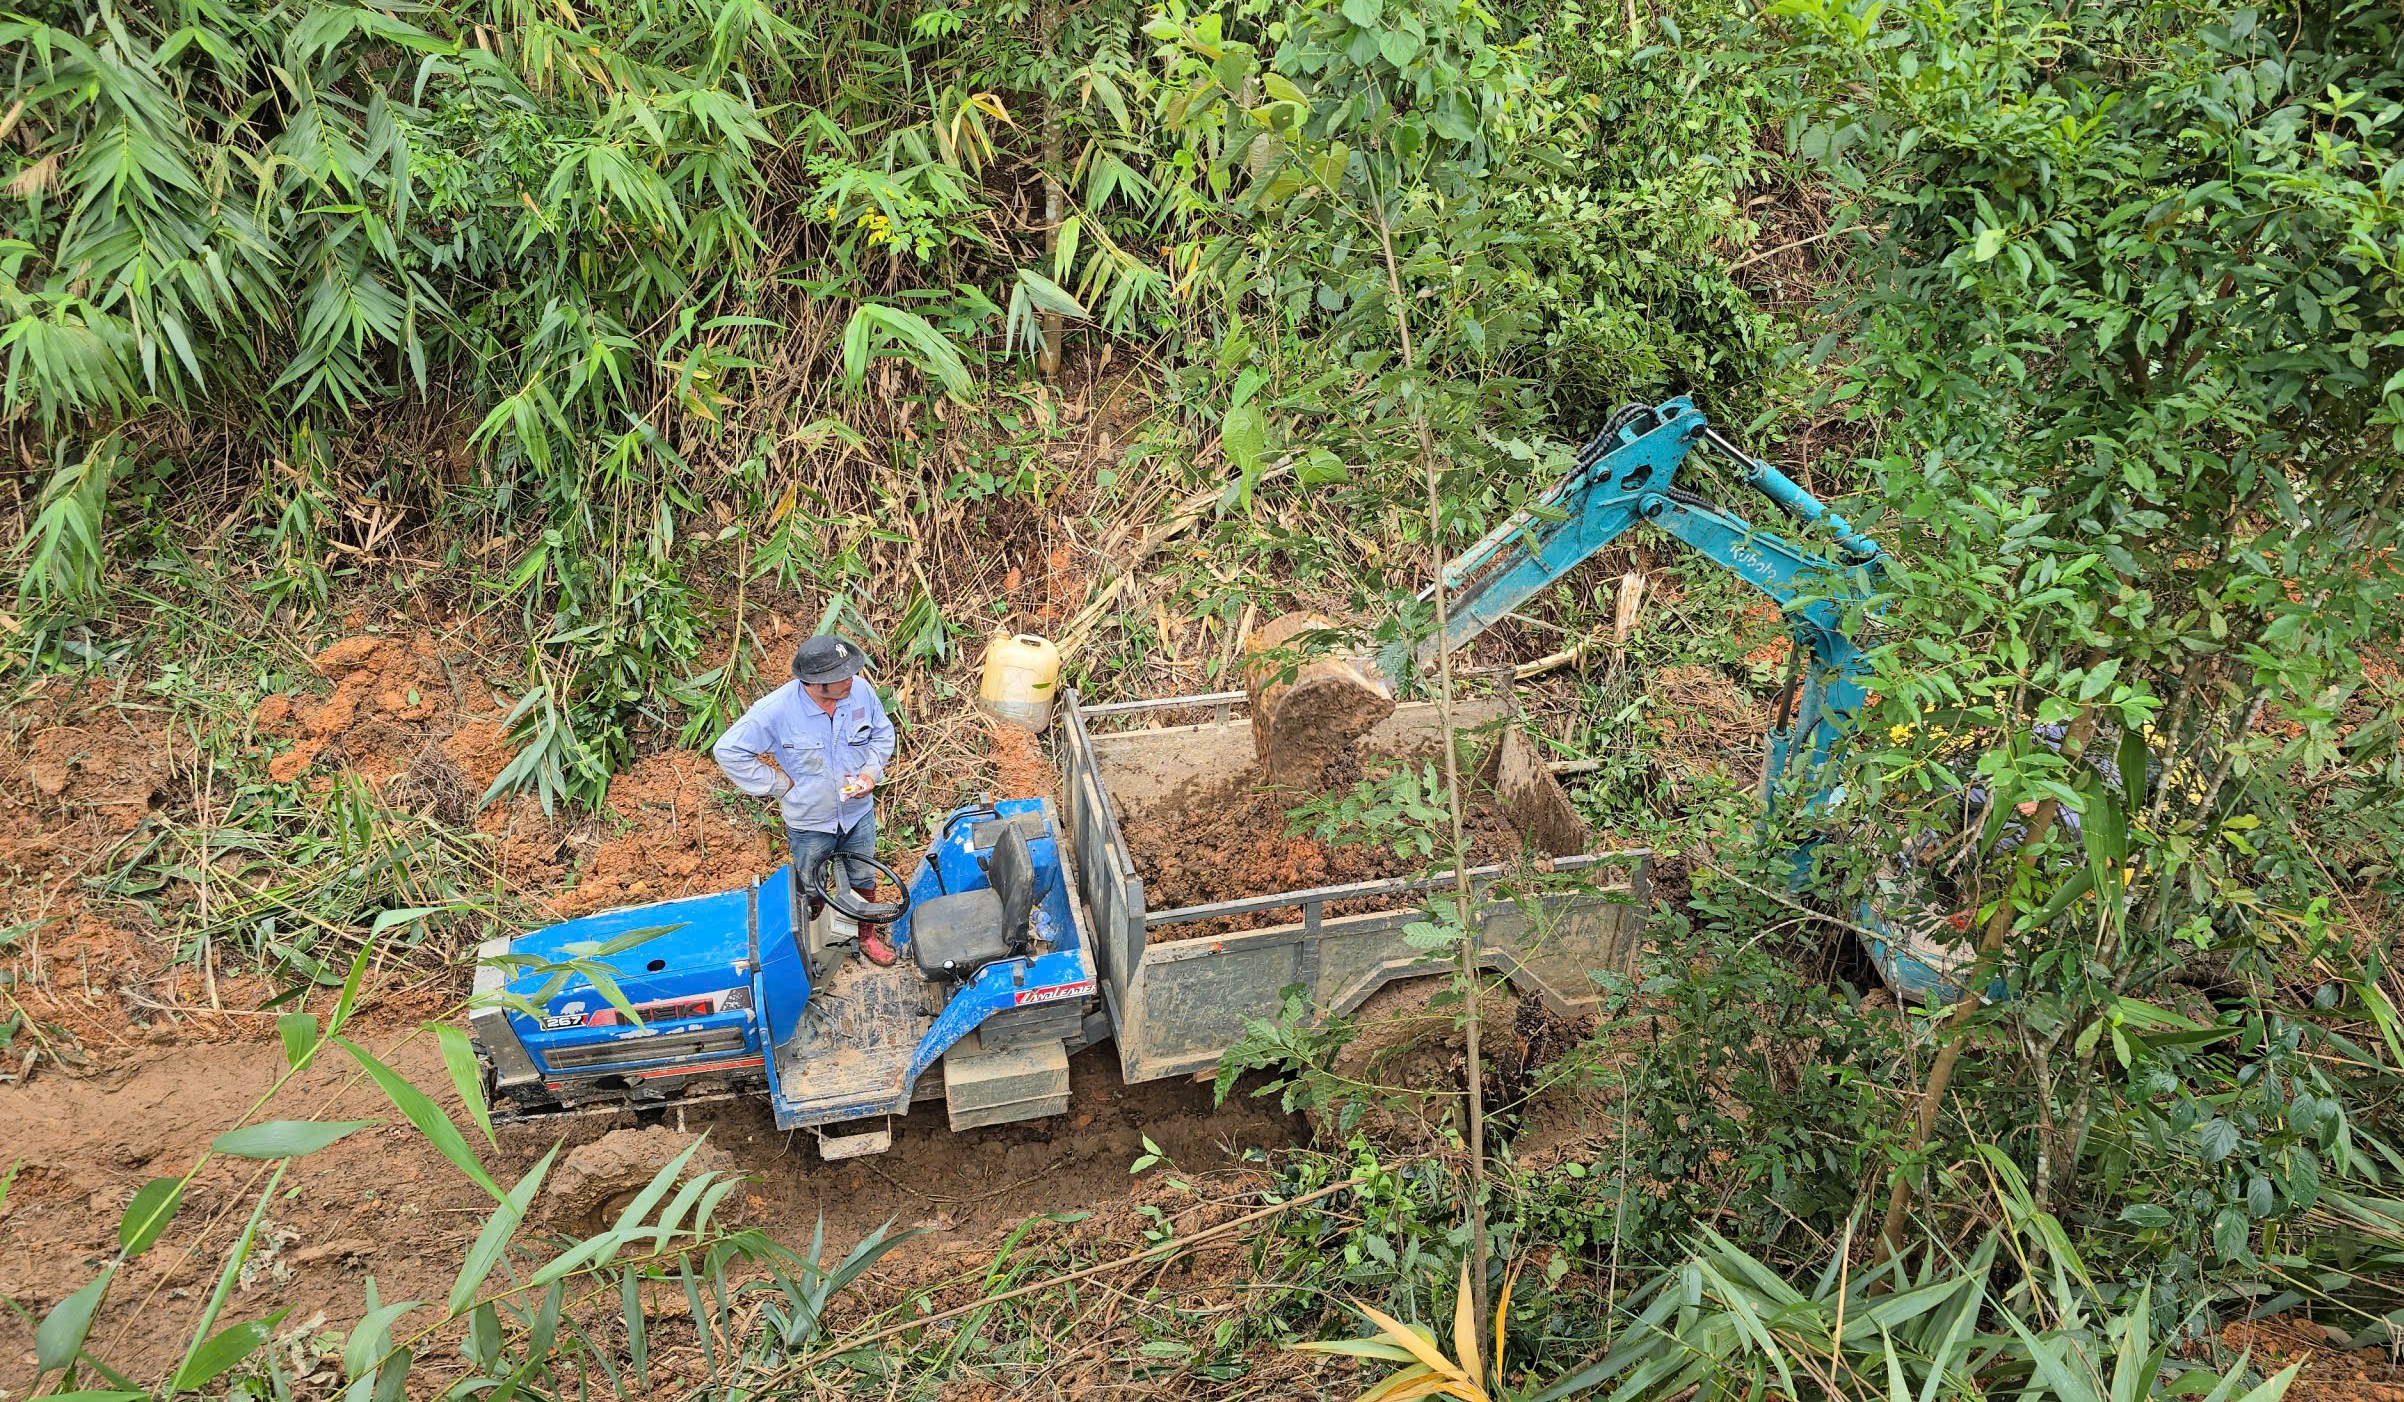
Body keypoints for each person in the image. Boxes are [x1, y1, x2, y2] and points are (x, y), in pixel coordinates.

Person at [712, 634, 899, 966]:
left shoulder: (860, 693)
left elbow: (883, 734)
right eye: (841, 677)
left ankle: (866, 935)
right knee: (812, 881)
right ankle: (817, 939)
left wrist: (870, 772)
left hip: (857, 813)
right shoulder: (775, 711)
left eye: (851, 672)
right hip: (810, 820)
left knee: (863, 875)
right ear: (814, 683)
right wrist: (779, 783)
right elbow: (728, 751)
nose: (850, 681)